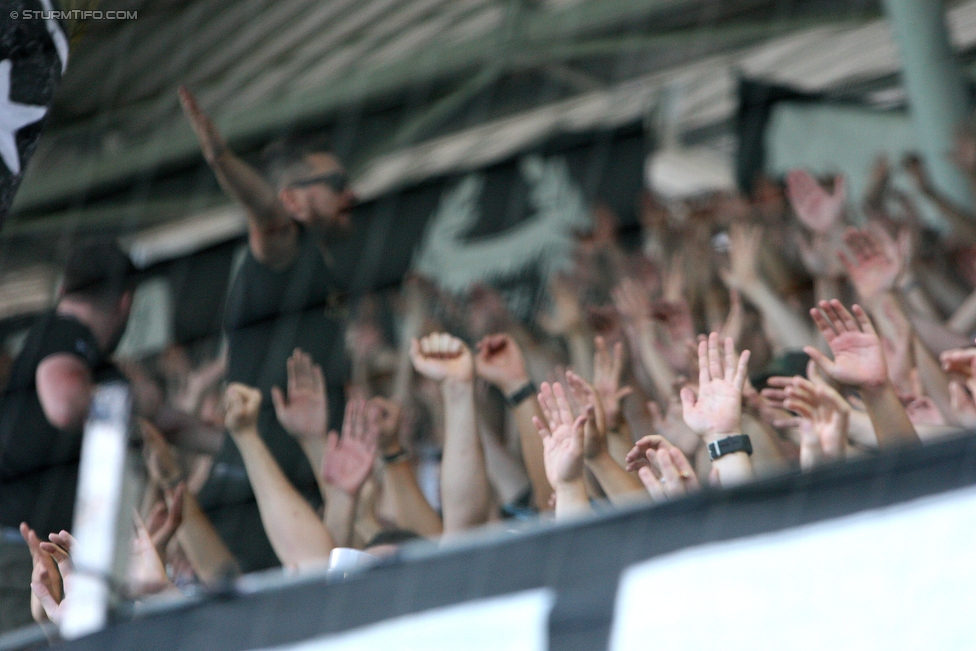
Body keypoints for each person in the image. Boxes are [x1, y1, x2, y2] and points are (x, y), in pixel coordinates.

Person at [179, 87, 357, 571]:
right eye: (336, 182)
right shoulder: (284, 254)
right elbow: (268, 220)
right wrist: (222, 161)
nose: (350, 194)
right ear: (293, 199)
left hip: (297, 484)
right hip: (253, 499)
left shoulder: (324, 263)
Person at [0, 240, 135, 536]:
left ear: (62, 290)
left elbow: (173, 423)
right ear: (124, 304)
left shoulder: (92, 362)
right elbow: (65, 405)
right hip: (19, 541)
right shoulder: (63, 332)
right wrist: (136, 401)